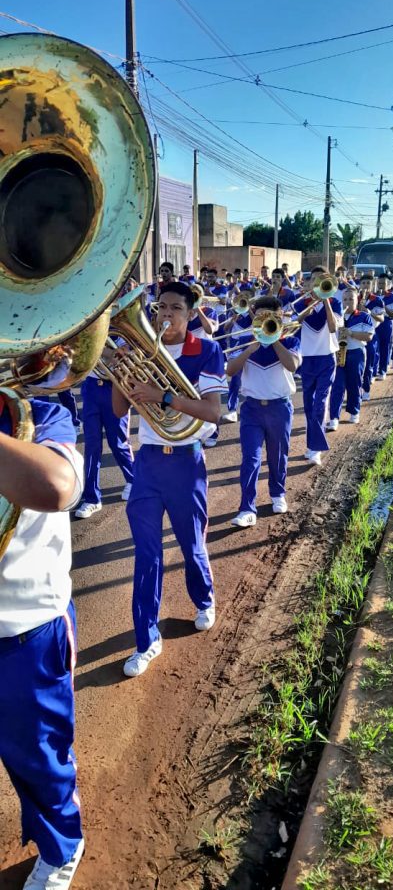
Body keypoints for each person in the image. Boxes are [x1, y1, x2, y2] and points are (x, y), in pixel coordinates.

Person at [112, 282, 227, 677]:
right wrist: (119, 370)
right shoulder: (144, 350)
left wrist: (162, 397)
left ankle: (204, 599)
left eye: (176, 308)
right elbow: (117, 409)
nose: (165, 315)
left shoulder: (207, 350)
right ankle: (146, 640)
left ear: (191, 313)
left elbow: (213, 412)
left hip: (185, 463)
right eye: (160, 307)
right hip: (147, 465)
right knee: (146, 556)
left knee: (192, 545)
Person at [0, 394, 84, 890]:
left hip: (25, 630)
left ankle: (63, 847)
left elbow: (54, 485)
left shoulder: (40, 416)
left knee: (39, 758)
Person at [227, 297, 301, 527]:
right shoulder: (242, 341)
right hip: (252, 409)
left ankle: (277, 493)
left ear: (280, 317)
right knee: (250, 459)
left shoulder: (291, 341)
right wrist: (250, 347)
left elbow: (292, 366)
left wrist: (274, 338)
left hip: (280, 407)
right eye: (262, 315)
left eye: (272, 316)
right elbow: (230, 370)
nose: (267, 319)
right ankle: (247, 508)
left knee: (278, 456)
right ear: (253, 315)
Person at [292, 270, 343, 465]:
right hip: (307, 359)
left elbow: (332, 327)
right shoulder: (302, 302)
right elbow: (294, 322)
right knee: (307, 404)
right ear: (309, 283)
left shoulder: (335, 302)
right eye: (314, 280)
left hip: (326, 358)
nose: (317, 283)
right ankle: (312, 444)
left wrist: (325, 301)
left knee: (319, 403)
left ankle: (316, 449)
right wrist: (309, 305)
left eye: (322, 281)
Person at [74, 365, 134, 519]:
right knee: (91, 445)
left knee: (118, 443)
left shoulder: (122, 339)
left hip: (116, 386)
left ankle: (133, 480)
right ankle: (92, 498)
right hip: (91, 386)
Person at [327, 287, 374, 429]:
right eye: (345, 299)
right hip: (339, 353)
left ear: (357, 300)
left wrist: (351, 333)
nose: (347, 302)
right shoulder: (337, 316)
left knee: (354, 384)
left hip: (356, 353)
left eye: (351, 299)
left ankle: (354, 412)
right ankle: (334, 417)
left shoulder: (364, 316)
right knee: (337, 386)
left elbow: (369, 336)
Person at [358, 275, 385, 401]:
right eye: (363, 283)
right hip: (356, 336)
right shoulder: (355, 298)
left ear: (372, 284)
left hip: (370, 335)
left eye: (368, 283)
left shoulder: (377, 300)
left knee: (369, 364)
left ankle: (366, 389)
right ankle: (357, 389)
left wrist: (369, 312)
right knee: (356, 366)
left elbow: (381, 318)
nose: (365, 285)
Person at [376, 275, 393, 380]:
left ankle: (382, 370)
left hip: (386, 324)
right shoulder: (373, 295)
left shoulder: (392, 297)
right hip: (374, 324)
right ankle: (373, 371)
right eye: (379, 283)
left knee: (385, 347)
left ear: (388, 285)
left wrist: (383, 306)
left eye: (383, 283)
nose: (380, 285)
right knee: (374, 348)